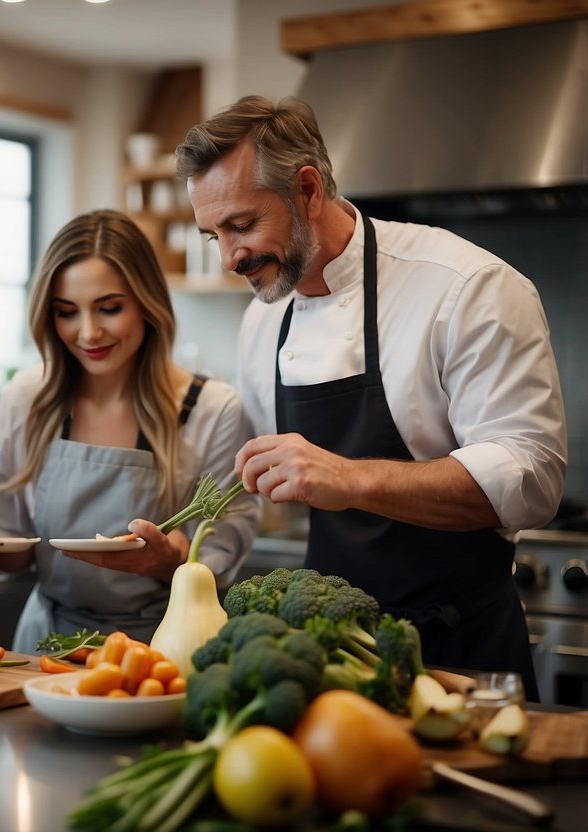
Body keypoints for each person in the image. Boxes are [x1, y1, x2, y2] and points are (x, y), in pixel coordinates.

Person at [180, 95, 567, 698]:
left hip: (462, 655)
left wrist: (352, 479)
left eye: (242, 224)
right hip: (333, 664)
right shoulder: (262, 323)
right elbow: (254, 486)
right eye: (213, 235)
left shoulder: (467, 289)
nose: (230, 257)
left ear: (307, 190)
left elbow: (534, 477)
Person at [0, 209, 260, 652]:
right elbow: (2, 539)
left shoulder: (212, 409)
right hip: (45, 646)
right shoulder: (26, 398)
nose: (88, 333)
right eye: (67, 312)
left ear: (147, 302)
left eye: (109, 308)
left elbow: (224, 549)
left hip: (162, 651)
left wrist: (171, 559)